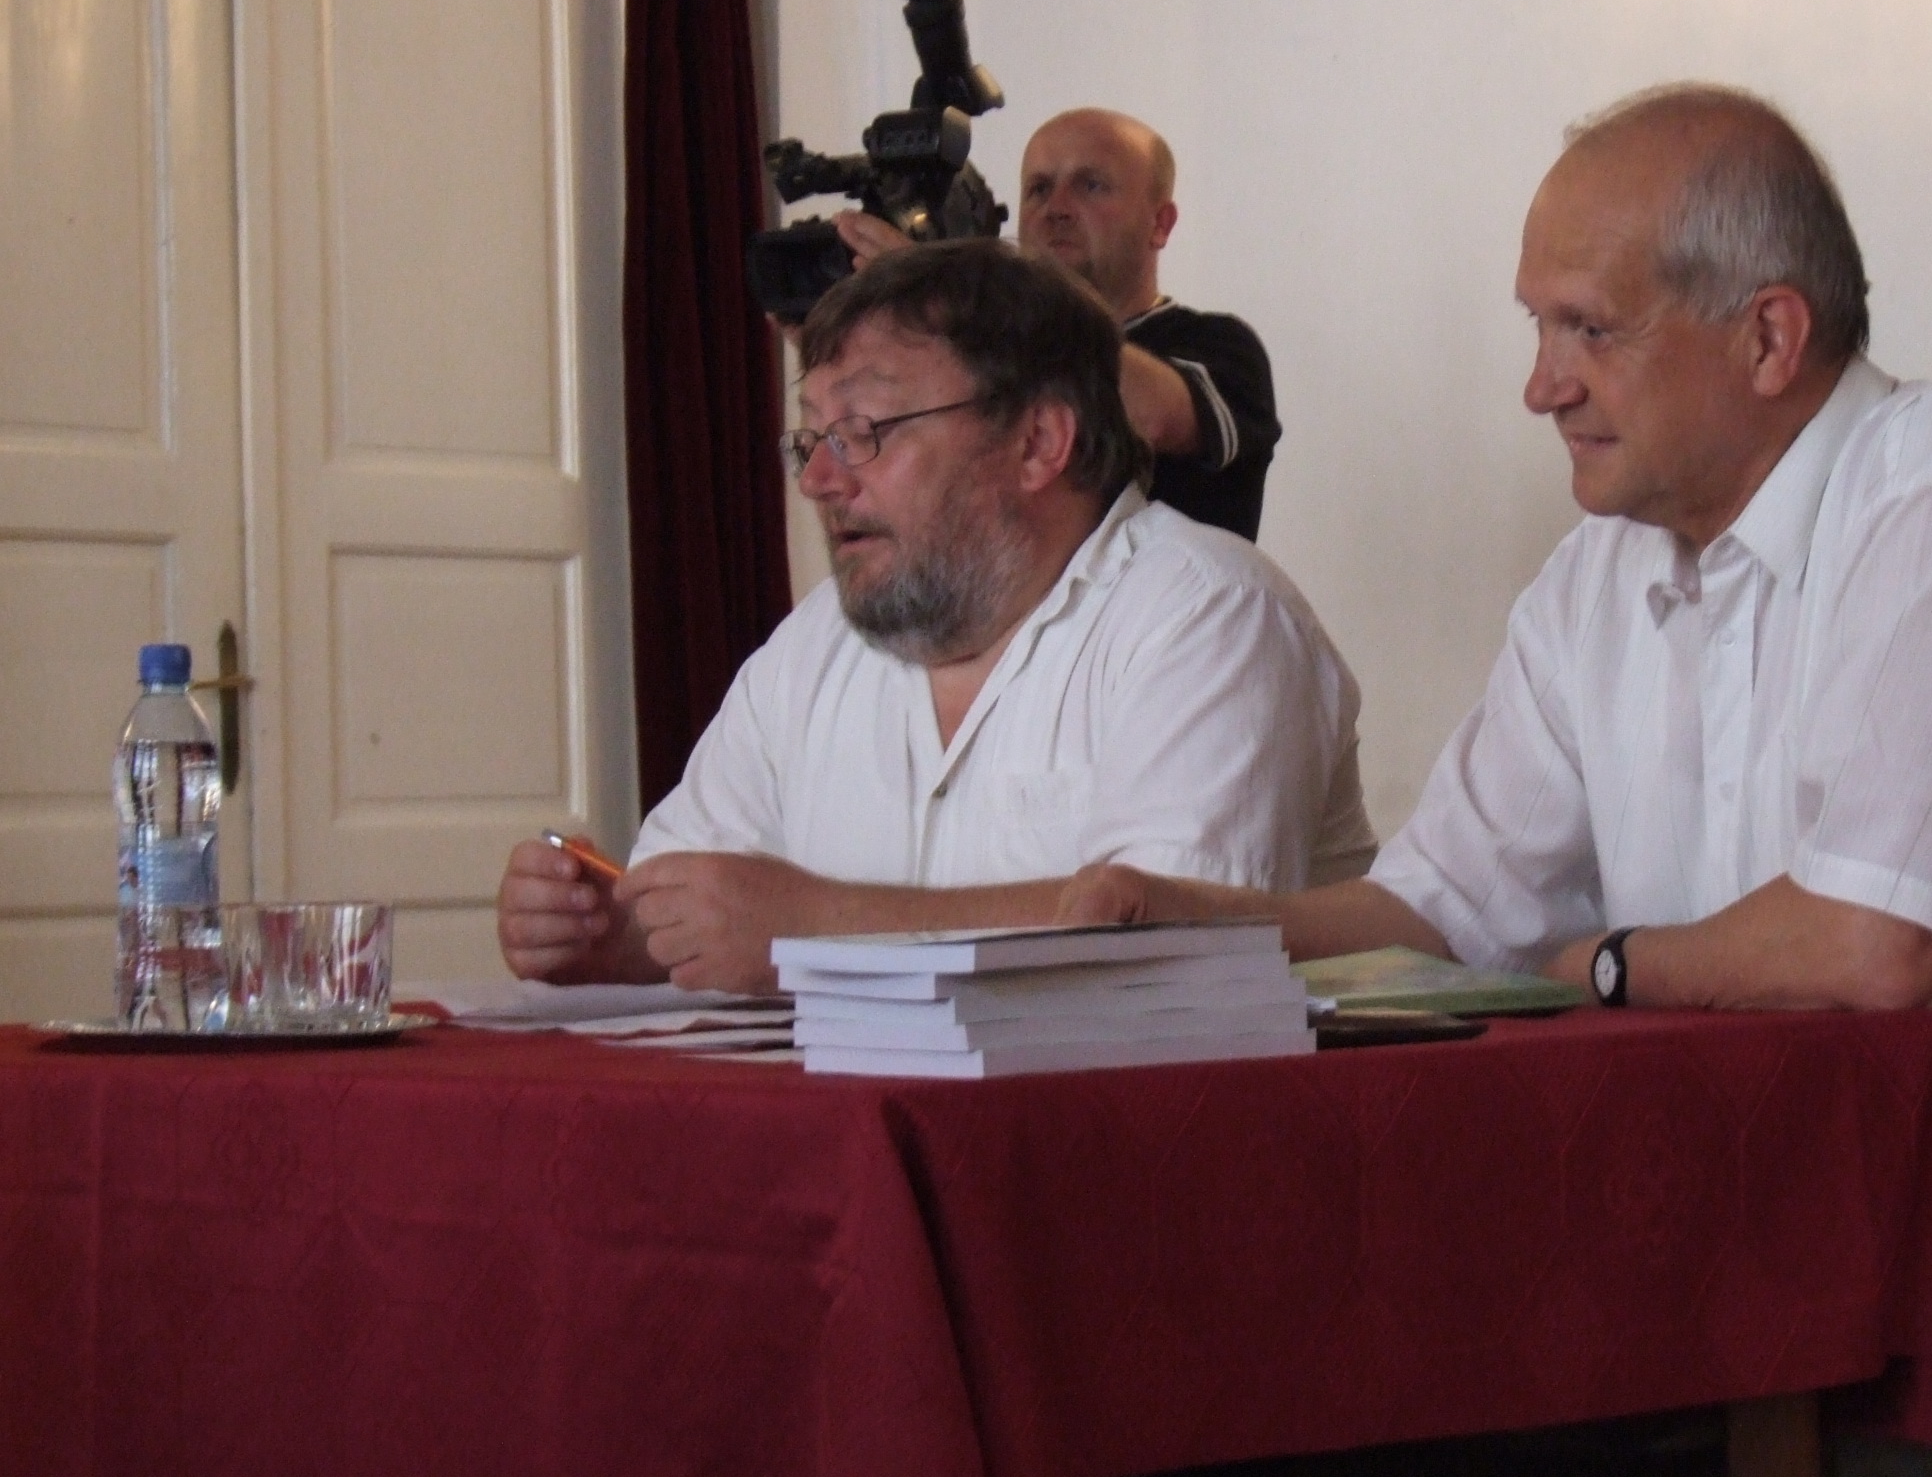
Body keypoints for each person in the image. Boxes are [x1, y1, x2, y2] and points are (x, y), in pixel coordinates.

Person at [1060, 85, 1932, 1477]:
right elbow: (1434, 914)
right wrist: (1166, 919)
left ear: (1770, 337)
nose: (1539, 384)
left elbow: (1877, 943)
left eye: (1586, 328)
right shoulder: (1599, 574)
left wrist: (1608, 963)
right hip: (1786, 1274)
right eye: (1536, 327)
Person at [496, 238, 1372, 993]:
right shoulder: (816, 643)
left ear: (1038, 443)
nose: (819, 480)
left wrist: (816, 928)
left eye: (865, 430)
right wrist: (612, 935)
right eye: (811, 437)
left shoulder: (1210, 614)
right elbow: (696, 901)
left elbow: (1166, 953)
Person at [838, 107, 1280, 539]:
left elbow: (1149, 417)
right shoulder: (976, 338)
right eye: (1039, 189)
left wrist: (949, 293)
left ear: (1160, 224)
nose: (1056, 208)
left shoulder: (1220, 347)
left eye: (1091, 185)